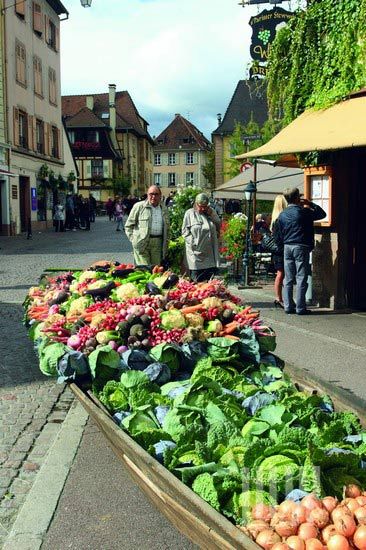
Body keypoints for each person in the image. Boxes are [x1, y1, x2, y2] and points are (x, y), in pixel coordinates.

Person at [275, 187, 326, 315]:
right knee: (301, 277)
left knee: (288, 278)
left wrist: (283, 245)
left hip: (287, 247)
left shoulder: (282, 215)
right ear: (298, 198)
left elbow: (278, 234)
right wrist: (310, 203)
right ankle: (300, 308)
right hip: (301, 246)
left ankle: (288, 306)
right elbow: (322, 214)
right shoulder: (304, 212)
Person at [125, 185, 170, 266]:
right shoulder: (139, 206)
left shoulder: (164, 208)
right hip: (142, 243)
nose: (153, 196)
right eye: (151, 194)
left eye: (156, 194)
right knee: (145, 269)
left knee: (155, 270)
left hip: (158, 243)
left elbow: (167, 228)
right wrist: (134, 240)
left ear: (160, 195)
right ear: (147, 194)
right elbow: (128, 225)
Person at [182, 192, 221, 282]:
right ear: (195, 204)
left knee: (208, 283)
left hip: (209, 254)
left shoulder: (210, 212)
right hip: (195, 254)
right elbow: (185, 232)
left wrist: (212, 214)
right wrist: (193, 243)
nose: (203, 209)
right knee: (196, 281)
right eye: (201, 206)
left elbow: (218, 225)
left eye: (205, 206)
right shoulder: (189, 213)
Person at [269, 195, 288, 308]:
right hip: (280, 250)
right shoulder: (280, 219)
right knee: (281, 274)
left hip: (277, 250)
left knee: (281, 274)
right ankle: (279, 298)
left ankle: (279, 297)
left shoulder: (275, 218)